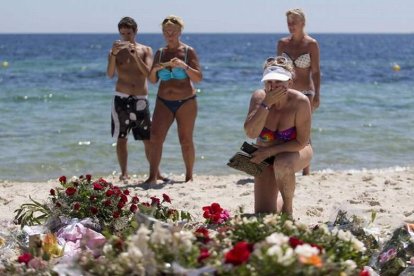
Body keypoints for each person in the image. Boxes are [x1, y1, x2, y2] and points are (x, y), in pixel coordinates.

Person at [244, 56, 313, 217]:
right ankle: (279, 203)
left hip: (295, 150)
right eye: (269, 81)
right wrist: (266, 104)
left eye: (279, 81)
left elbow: (301, 141)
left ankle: (288, 210)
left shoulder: (300, 102)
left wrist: (269, 152)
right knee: (264, 212)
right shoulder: (259, 97)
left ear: (290, 82)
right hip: (264, 153)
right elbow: (251, 133)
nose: (273, 86)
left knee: (283, 163)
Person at [145, 15, 202, 184]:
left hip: (186, 101)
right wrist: (155, 69)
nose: (169, 34)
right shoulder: (160, 53)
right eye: (166, 31)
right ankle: (152, 176)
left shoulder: (187, 52)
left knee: (185, 139)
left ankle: (189, 176)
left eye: (172, 31)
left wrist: (184, 66)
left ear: (179, 32)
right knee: (155, 137)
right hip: (163, 100)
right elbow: (153, 81)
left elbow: (198, 77)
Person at [107, 17, 164, 182]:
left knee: (147, 138)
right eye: (122, 33)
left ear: (135, 31)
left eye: (129, 33)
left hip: (140, 98)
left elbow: (148, 74)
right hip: (121, 98)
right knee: (121, 137)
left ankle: (156, 172)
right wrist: (113, 55)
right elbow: (110, 74)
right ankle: (124, 173)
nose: (125, 37)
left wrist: (135, 55)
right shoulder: (114, 52)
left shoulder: (146, 50)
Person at [277, 8, 321, 175]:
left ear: (303, 23)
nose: (291, 25)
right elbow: (278, 69)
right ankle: (286, 163)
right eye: (289, 22)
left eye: (294, 22)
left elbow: (316, 71)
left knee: (303, 130)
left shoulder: (311, 44)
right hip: (285, 93)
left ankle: (306, 170)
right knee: (285, 130)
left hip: (305, 93)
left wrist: (317, 95)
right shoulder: (282, 43)